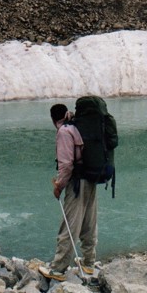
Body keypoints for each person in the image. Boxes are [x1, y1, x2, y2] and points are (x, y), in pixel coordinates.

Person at [38, 103, 97, 282]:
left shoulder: (64, 131)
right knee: (89, 221)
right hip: (91, 178)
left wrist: (58, 186)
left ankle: (58, 269)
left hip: (77, 182)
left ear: (53, 119)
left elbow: (66, 165)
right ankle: (88, 262)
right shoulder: (78, 125)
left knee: (69, 225)